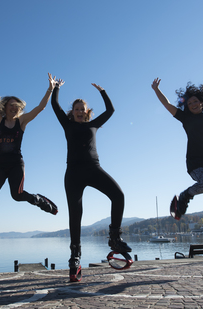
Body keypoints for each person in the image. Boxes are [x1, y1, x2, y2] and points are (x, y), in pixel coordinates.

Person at [50, 77, 131, 281]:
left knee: (118, 195)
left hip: (94, 169)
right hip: (73, 174)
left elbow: (111, 110)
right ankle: (75, 258)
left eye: (82, 109)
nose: (79, 111)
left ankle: (115, 238)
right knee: (75, 216)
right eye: (76, 108)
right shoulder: (67, 125)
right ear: (73, 112)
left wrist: (103, 91)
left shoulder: (94, 124)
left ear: (87, 112)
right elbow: (54, 105)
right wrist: (56, 88)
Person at [0, 62, 57, 229]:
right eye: (11, 105)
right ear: (5, 107)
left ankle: (39, 200)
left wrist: (50, 89)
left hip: (15, 164)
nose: (14, 108)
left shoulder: (21, 122)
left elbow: (41, 108)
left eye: (17, 106)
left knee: (18, 195)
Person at [152, 78, 203, 220]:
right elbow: (167, 104)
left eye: (195, 101)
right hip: (196, 162)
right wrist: (156, 90)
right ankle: (185, 195)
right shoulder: (185, 118)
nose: (193, 104)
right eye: (189, 103)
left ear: (201, 102)